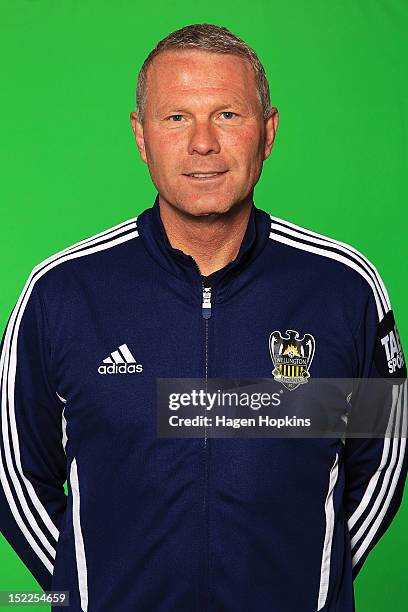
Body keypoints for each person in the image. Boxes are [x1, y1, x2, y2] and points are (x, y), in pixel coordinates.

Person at [0, 22, 406, 612]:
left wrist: (314, 585)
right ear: (142, 137)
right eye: (176, 118)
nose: (203, 144)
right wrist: (86, 593)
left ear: (268, 132)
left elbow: (384, 457)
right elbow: (13, 477)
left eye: (227, 115)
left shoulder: (344, 288)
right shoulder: (62, 293)